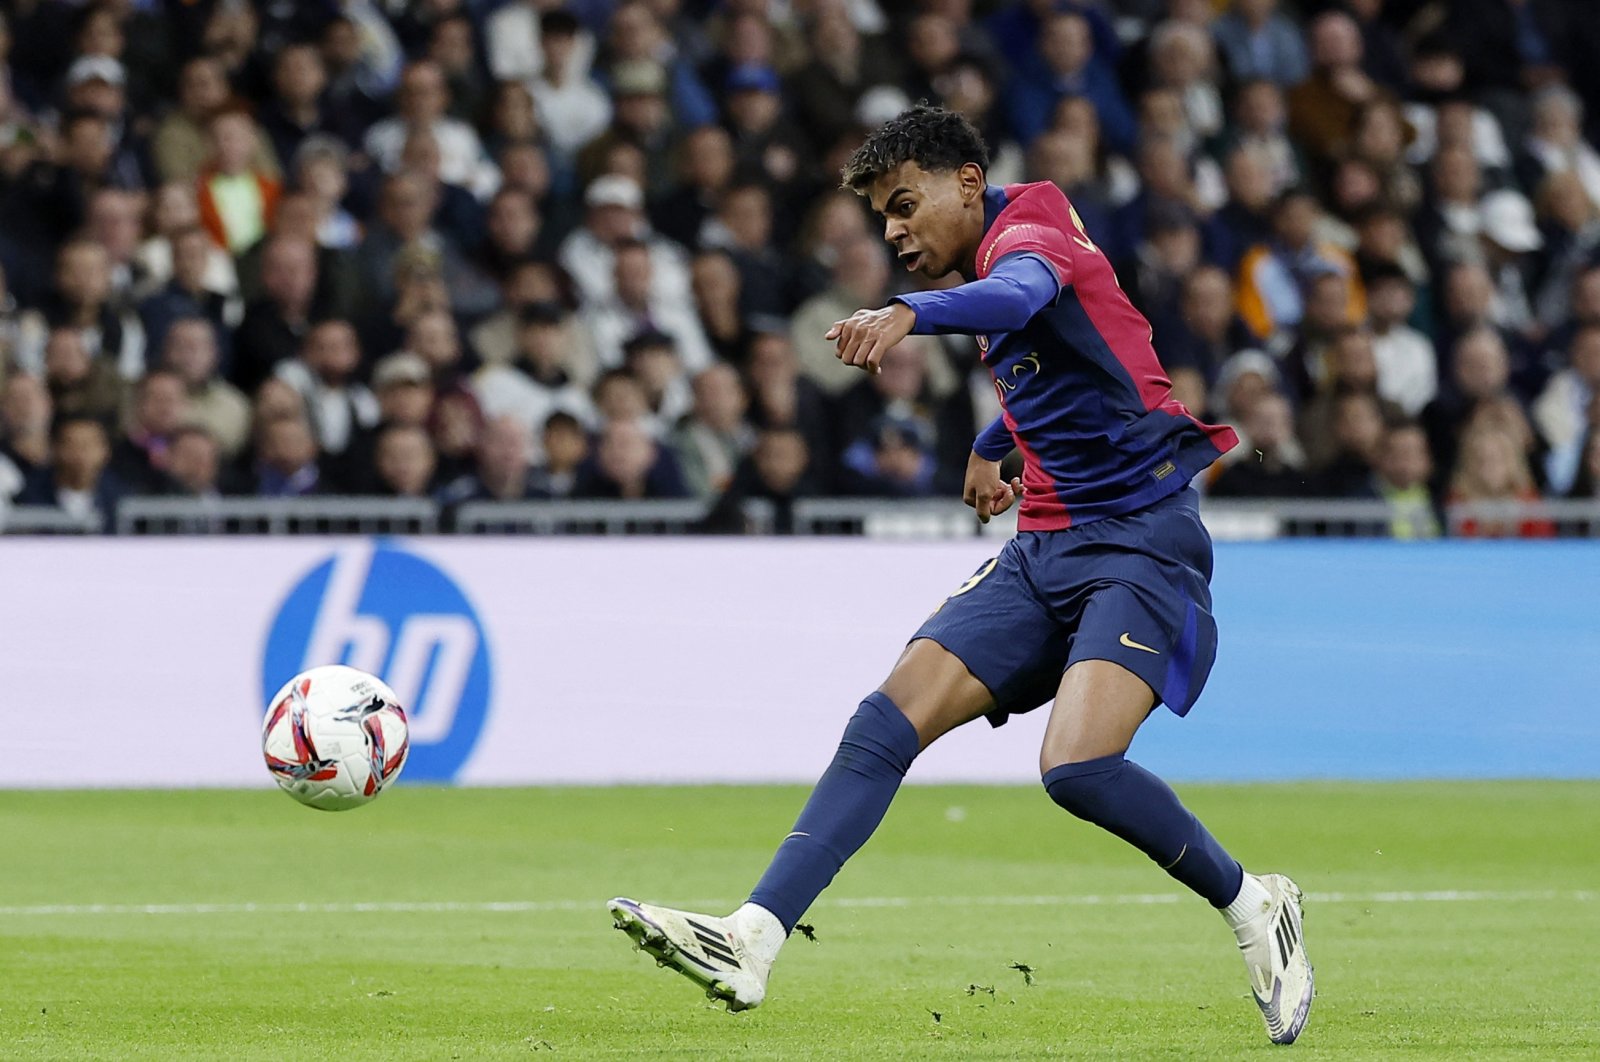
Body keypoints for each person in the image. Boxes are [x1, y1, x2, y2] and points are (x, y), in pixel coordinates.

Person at [608, 105, 1313, 1046]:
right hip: (1045, 545)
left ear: (968, 184)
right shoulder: (987, 261)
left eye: (905, 205)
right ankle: (752, 938)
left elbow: (1021, 298)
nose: (893, 231)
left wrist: (907, 314)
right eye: (882, 218)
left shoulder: (1029, 231)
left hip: (1144, 538)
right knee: (885, 719)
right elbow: (1057, 357)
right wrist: (994, 442)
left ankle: (1255, 904)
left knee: (1076, 767)